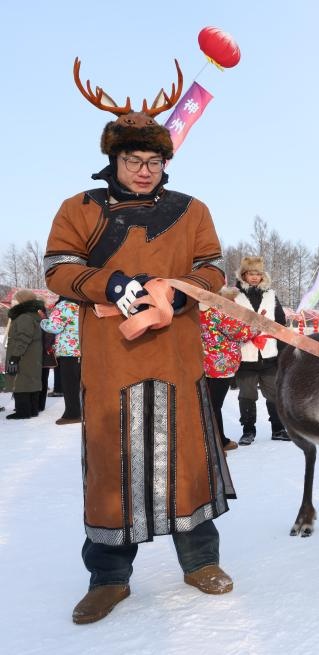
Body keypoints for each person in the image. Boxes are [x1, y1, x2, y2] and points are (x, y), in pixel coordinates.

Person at [44, 86, 236, 624]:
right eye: (134, 160)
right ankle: (108, 578)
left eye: (154, 161)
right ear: (114, 160)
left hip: (177, 356)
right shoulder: (79, 209)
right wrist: (113, 285)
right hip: (111, 362)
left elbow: (213, 268)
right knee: (112, 465)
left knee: (188, 458)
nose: (145, 171)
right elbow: (58, 268)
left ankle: (200, 563)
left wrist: (180, 291)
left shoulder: (191, 210)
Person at [233, 256, 290, 444]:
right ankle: (248, 430)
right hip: (246, 355)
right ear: (244, 275)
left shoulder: (270, 295)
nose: (255, 277)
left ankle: (278, 429)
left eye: (258, 273)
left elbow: (281, 323)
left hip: (268, 355)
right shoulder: (234, 296)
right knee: (247, 395)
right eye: (251, 273)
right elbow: (229, 323)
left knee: (274, 393)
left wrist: (283, 353)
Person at [201, 287, 261, 451]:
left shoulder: (197, 311)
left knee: (209, 403)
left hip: (204, 362)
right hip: (221, 365)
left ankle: (209, 439)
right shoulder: (218, 312)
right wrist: (258, 325)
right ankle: (220, 441)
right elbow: (239, 332)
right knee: (215, 405)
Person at [40, 297, 82, 424]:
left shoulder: (65, 305)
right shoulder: (82, 304)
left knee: (69, 384)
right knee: (79, 383)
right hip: (82, 348)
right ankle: (82, 411)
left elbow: (54, 327)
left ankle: (72, 414)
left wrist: (42, 320)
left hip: (68, 350)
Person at [4, 290, 45, 419]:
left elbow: (23, 337)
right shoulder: (31, 315)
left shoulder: (24, 317)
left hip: (24, 355)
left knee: (21, 381)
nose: (13, 302)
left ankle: (23, 412)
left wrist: (15, 356)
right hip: (31, 354)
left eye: (16, 299)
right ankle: (32, 410)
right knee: (30, 381)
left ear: (22, 301)